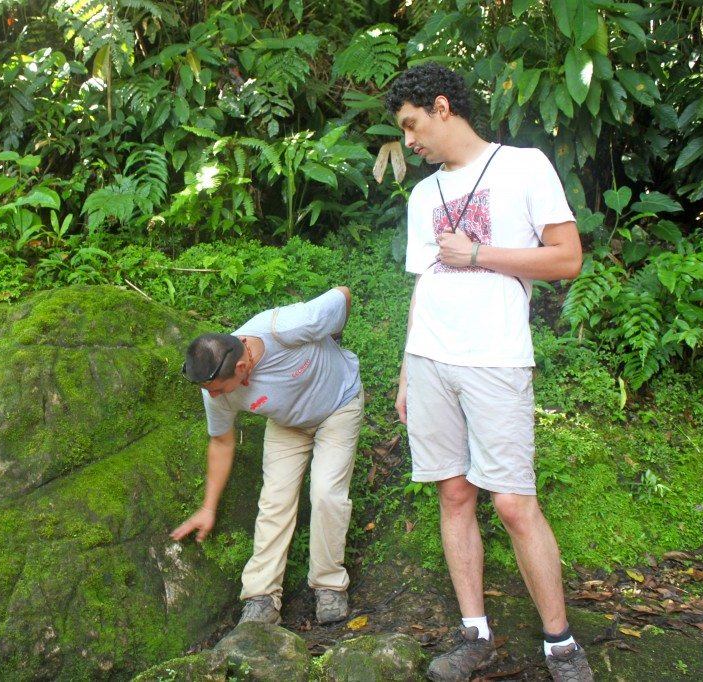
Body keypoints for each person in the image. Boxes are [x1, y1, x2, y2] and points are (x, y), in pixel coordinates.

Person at [384, 63, 594, 682]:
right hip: (430, 361)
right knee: (453, 493)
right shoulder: (425, 194)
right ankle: (475, 634)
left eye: (412, 125)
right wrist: (404, 369)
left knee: (512, 502)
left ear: (442, 107)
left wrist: (478, 253)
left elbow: (567, 258)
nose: (410, 141)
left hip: (496, 358)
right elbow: (424, 283)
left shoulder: (524, 166)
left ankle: (560, 642)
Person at [170, 287, 364, 626]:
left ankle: (328, 584)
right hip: (288, 424)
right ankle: (261, 596)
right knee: (274, 500)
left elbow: (343, 295)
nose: (213, 396)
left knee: (326, 493)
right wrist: (207, 507)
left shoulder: (286, 327)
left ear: (244, 366)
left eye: (218, 389)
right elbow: (221, 442)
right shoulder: (213, 388)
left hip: (338, 405)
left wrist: (332, 336)